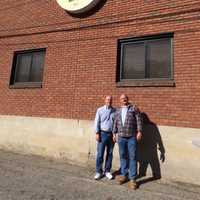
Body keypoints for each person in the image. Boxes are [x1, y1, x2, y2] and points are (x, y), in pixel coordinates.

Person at [113, 94, 142, 189]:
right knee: (123, 156)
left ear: (127, 99)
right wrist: (114, 134)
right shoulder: (117, 110)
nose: (123, 99)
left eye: (125, 98)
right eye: (122, 98)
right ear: (120, 100)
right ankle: (124, 175)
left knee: (132, 157)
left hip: (131, 137)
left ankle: (132, 179)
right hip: (121, 137)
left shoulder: (134, 108)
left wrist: (139, 132)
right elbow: (115, 122)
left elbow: (139, 120)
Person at [94, 95, 116, 180]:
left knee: (110, 154)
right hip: (102, 134)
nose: (109, 101)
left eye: (110, 100)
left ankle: (107, 171)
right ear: (105, 100)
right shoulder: (100, 110)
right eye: (107, 99)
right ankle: (98, 172)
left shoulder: (114, 111)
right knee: (100, 153)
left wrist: (115, 134)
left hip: (111, 134)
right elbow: (97, 122)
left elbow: (115, 123)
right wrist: (97, 133)